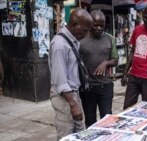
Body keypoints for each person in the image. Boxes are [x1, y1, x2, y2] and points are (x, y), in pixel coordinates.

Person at [48, 9, 93, 140]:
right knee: (67, 135)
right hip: (65, 98)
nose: (86, 34)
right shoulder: (60, 45)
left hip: (73, 94)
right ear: (74, 24)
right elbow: (60, 81)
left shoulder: (73, 40)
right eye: (84, 30)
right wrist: (73, 104)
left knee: (79, 132)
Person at [79, 10, 118, 128]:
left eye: (102, 25)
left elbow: (115, 60)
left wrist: (106, 63)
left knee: (107, 120)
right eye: (96, 25)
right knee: (90, 121)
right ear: (90, 23)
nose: (99, 28)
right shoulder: (80, 40)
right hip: (88, 88)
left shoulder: (110, 39)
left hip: (105, 86)